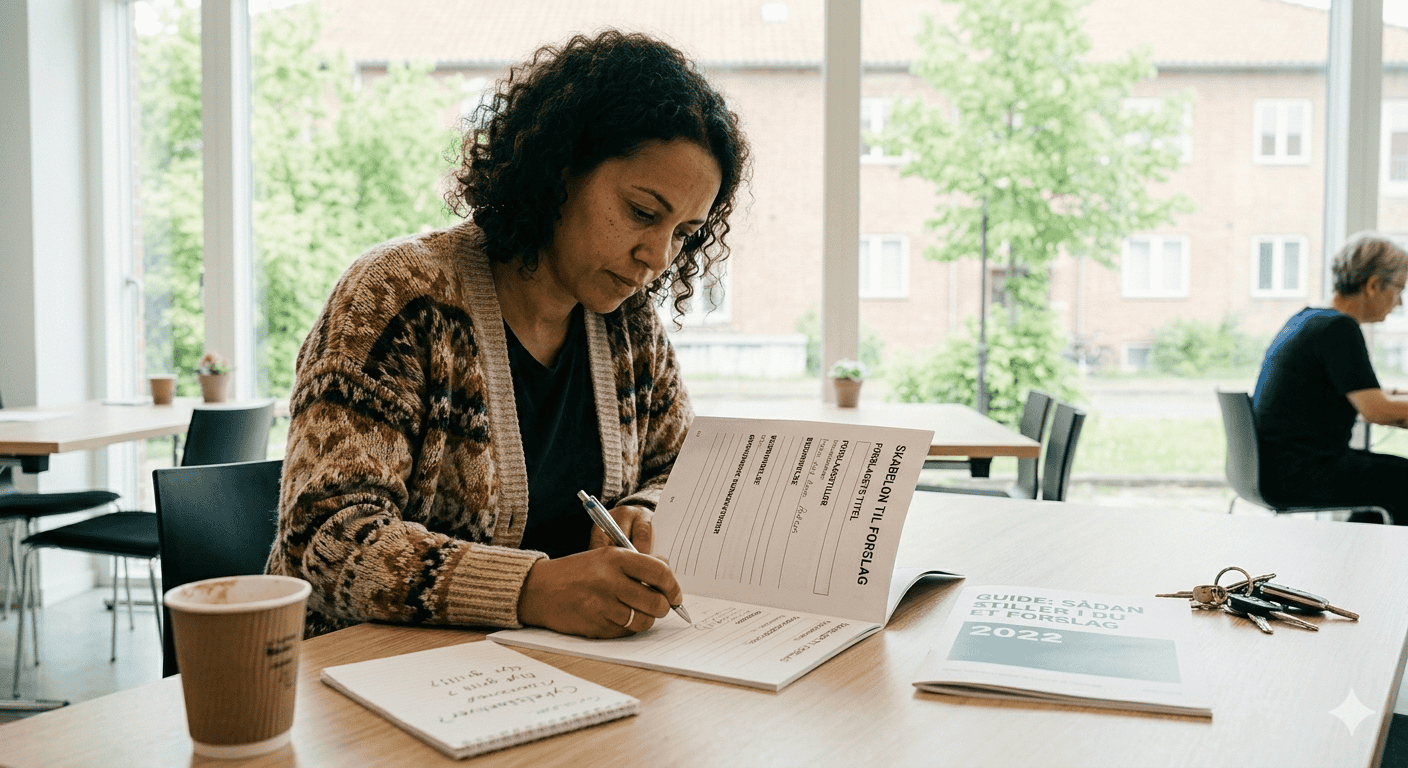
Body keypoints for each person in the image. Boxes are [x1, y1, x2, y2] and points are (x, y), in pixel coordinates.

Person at [266, 30, 750, 638]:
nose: (656, 256)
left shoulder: (629, 327)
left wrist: (646, 513)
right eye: (643, 213)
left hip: (551, 673)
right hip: (364, 679)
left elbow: (679, 469)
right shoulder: (398, 298)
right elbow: (328, 538)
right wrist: (532, 590)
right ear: (560, 169)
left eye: (684, 232)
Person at [1252, 232, 1408, 524]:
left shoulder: (1310, 319)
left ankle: (1360, 559)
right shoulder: (1338, 329)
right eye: (1400, 289)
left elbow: (1367, 394)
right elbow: (1376, 409)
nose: (1399, 302)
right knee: (1400, 481)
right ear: (1374, 285)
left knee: (1391, 480)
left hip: (1274, 467)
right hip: (1299, 472)